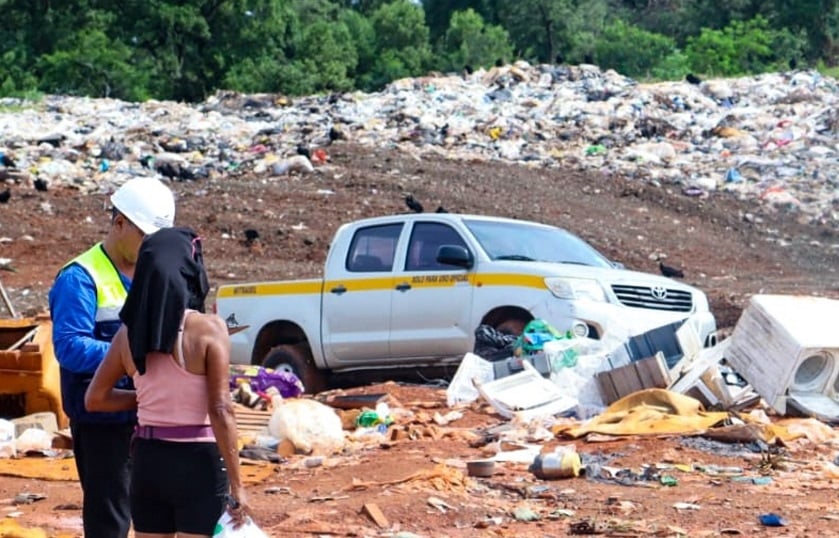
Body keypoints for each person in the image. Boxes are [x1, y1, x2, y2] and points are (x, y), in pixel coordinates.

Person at [85, 227, 252, 537]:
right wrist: (238, 486)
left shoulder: (127, 334)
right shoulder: (208, 329)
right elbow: (220, 408)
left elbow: (95, 398)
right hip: (198, 463)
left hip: (148, 459)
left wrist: (147, 399)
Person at [49, 177, 176, 538]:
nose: (151, 245)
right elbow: (70, 347)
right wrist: (132, 354)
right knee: (110, 518)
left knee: (157, 514)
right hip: (103, 421)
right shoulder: (79, 277)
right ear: (119, 223)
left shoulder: (155, 271)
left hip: (153, 412)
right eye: (144, 235)